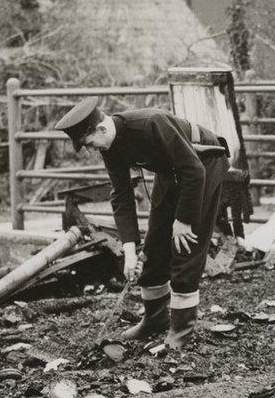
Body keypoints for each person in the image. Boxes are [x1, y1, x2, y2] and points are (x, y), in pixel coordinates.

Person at [53, 97, 229, 349]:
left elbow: (194, 171)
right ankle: (155, 319)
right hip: (172, 171)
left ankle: (181, 330)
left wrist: (183, 220)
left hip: (204, 163)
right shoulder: (109, 148)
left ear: (101, 129)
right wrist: (130, 251)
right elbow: (122, 197)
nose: (92, 150)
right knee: (155, 244)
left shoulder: (150, 123)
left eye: (90, 144)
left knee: (184, 245)